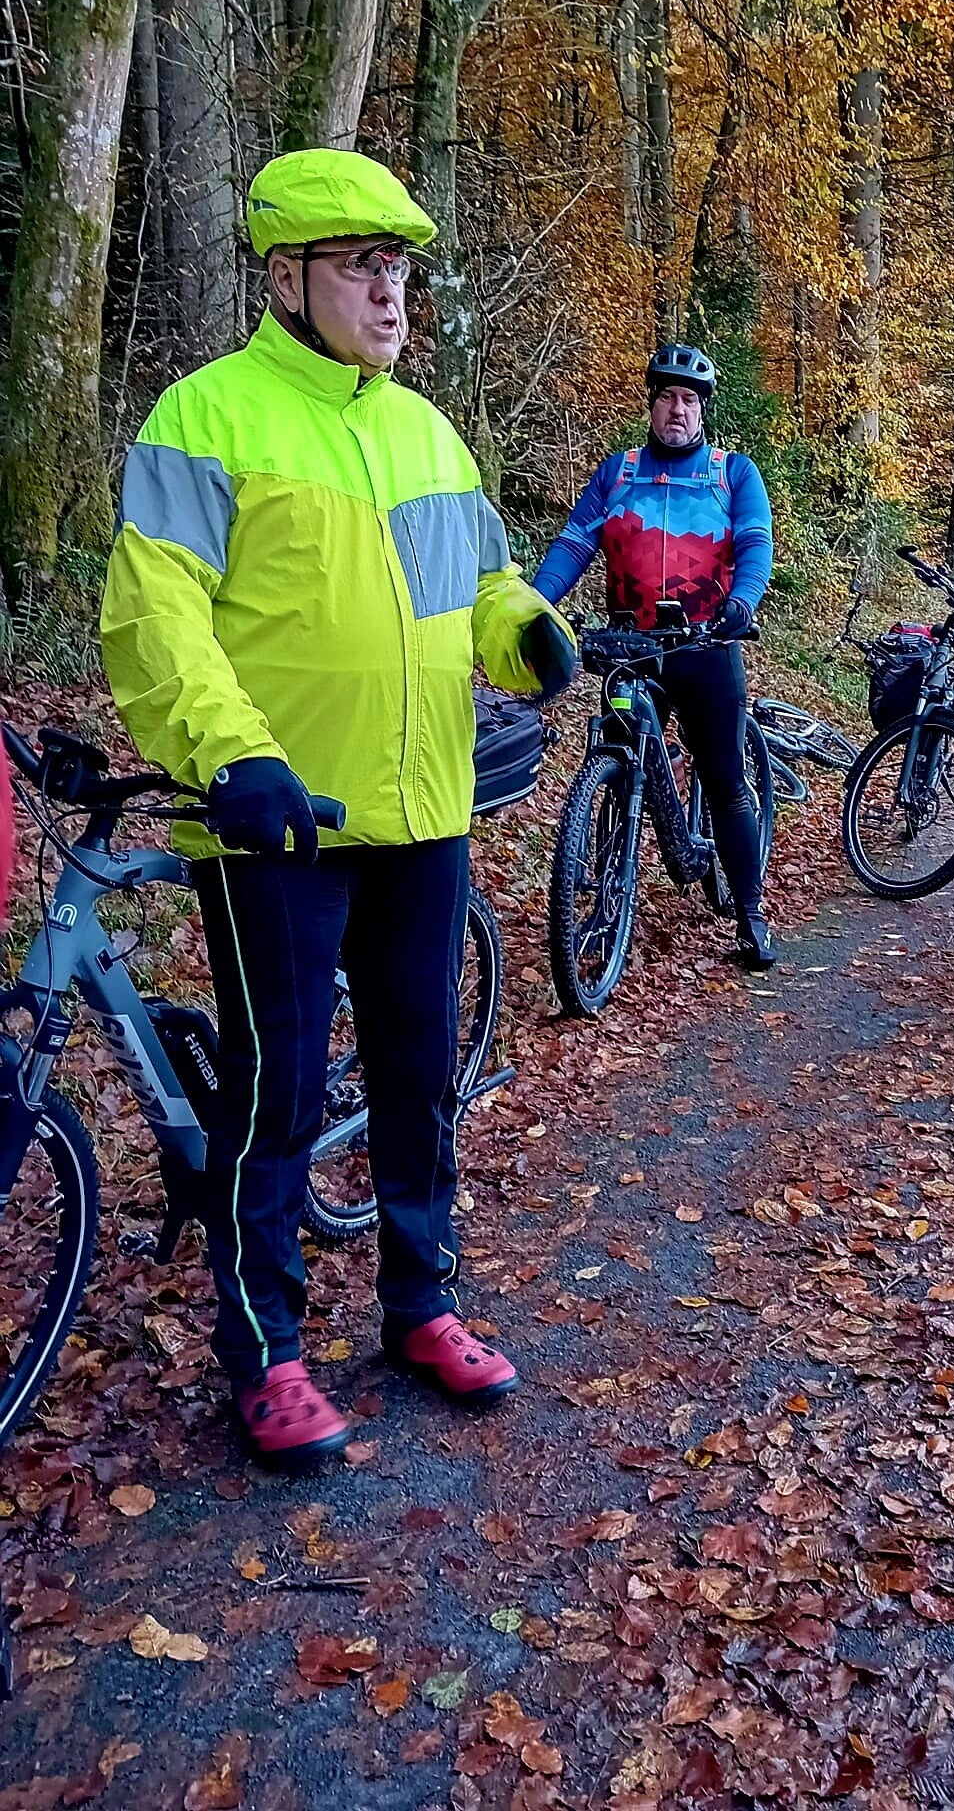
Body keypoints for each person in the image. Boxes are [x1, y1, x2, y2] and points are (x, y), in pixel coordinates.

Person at [100, 148, 576, 1472]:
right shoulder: (207, 418)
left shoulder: (425, 432)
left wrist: (525, 631)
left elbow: (478, 587)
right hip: (279, 827)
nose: (389, 290)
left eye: (400, 265)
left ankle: (421, 1303)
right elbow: (155, 619)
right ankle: (266, 1352)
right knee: (279, 1095)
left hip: (423, 812)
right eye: (362, 265)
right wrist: (229, 756)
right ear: (285, 278)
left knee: (421, 1076)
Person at [533, 343, 777, 967]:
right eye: (666, 396)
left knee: (724, 781)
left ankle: (751, 913)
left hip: (705, 645)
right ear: (651, 404)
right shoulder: (618, 473)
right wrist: (535, 604)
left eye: (688, 399)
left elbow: (755, 543)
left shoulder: (732, 473)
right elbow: (574, 543)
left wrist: (742, 601)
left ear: (703, 409)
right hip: (631, 647)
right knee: (617, 758)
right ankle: (607, 894)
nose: (677, 409)